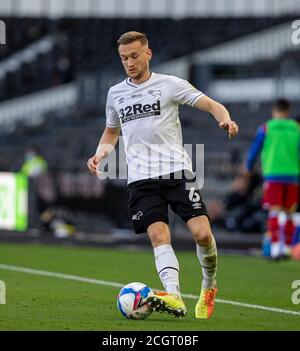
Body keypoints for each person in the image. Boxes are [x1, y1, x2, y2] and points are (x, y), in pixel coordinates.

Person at [87, 32, 238, 319]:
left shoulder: (169, 84)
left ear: (148, 54)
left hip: (176, 173)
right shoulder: (115, 93)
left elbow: (210, 104)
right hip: (141, 180)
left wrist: (224, 118)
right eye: (124, 58)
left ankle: (209, 285)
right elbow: (111, 130)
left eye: (134, 56)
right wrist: (100, 154)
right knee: (158, 234)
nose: (129, 63)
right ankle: (174, 295)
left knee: (202, 234)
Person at [245, 99, 300, 259]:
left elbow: (254, 151)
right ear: (288, 111)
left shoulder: (266, 128)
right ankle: (288, 248)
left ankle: (276, 248)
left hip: (273, 175)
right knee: (289, 213)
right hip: (292, 176)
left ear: (274, 110)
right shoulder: (297, 129)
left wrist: (249, 168)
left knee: (274, 212)